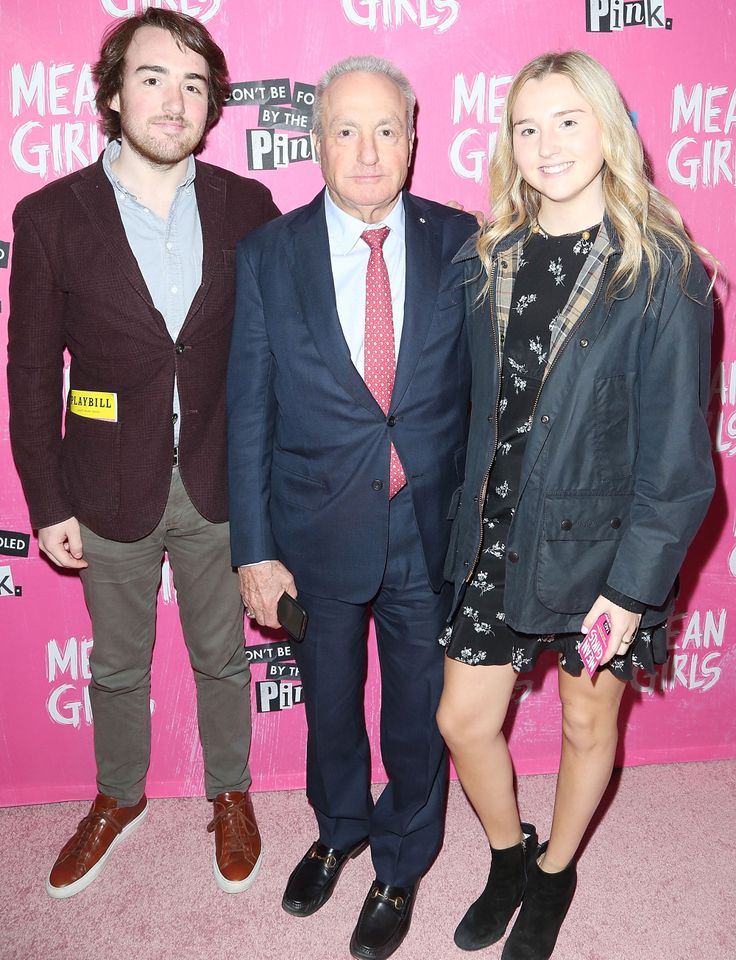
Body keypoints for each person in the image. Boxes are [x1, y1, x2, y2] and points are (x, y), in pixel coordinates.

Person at [436, 50, 715, 960]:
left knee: (588, 720)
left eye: (567, 120)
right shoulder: (489, 259)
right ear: (509, 144)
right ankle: (510, 854)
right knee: (462, 721)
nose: (546, 144)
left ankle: (555, 873)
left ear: (608, 129)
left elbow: (677, 464)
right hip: (498, 537)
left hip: (601, 558)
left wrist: (632, 591)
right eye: (527, 126)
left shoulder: (667, 273)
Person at [7, 9, 279, 899]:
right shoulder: (49, 215)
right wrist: (45, 502)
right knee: (117, 662)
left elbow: (276, 357)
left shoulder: (249, 205)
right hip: (102, 485)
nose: (175, 100)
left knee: (222, 656)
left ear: (213, 105)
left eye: (195, 84)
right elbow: (32, 370)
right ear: (115, 93)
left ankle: (230, 791)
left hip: (219, 479)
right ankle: (118, 797)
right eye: (155, 78)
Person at [227, 55, 476, 960]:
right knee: (330, 703)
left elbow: (485, 401)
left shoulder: (464, 241)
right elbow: (247, 411)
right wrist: (254, 551)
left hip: (427, 530)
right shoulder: (267, 255)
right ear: (316, 142)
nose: (367, 152)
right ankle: (340, 829)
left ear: (413, 141)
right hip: (312, 532)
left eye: (386, 130)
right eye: (346, 130)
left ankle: (401, 860)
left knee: (416, 707)